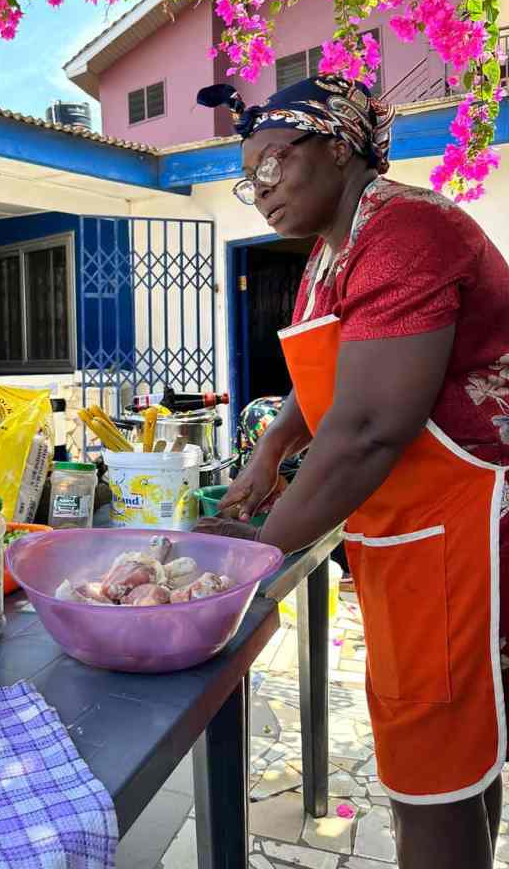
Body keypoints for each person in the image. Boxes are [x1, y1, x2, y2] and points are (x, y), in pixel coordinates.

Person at [195, 74, 509, 869]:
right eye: (247, 178)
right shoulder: (331, 254)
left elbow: (369, 426)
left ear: (336, 146)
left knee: (429, 763)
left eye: (271, 165)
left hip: (466, 523)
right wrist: (271, 452)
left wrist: (253, 556)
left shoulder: (407, 231)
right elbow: (331, 379)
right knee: (457, 741)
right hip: (407, 526)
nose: (257, 193)